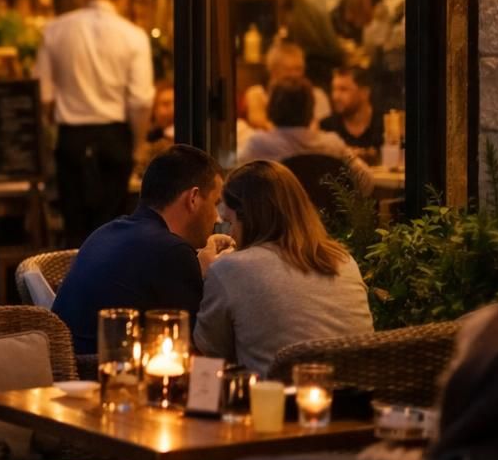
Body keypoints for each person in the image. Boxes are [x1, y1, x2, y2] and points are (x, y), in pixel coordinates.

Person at [195, 161, 373, 374]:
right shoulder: (345, 262)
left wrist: (207, 275)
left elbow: (210, 353)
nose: (231, 233)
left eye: (230, 222)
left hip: (276, 402)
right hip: (356, 399)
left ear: (250, 218)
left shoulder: (229, 269)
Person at [52, 146, 232, 355]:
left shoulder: (108, 230)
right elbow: (198, 347)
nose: (218, 217)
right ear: (193, 198)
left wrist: (196, 266)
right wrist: (216, 276)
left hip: (65, 368)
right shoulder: (171, 251)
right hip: (108, 377)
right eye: (215, 203)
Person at [36, 0, 155, 245]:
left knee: (75, 228)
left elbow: (42, 94)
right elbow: (140, 100)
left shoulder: (55, 30)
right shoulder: (133, 35)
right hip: (114, 138)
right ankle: (109, 285)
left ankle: (75, 283)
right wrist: (137, 144)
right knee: (112, 228)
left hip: (71, 139)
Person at [238, 78, 374, 197]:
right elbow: (367, 183)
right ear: (310, 108)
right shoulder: (332, 144)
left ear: (271, 107)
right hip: (324, 226)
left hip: (275, 225)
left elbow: (234, 188)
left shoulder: (259, 145)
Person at [320, 65, 383, 160]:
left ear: (364, 93)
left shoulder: (386, 125)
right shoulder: (326, 127)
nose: (335, 96)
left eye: (343, 89)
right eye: (334, 89)